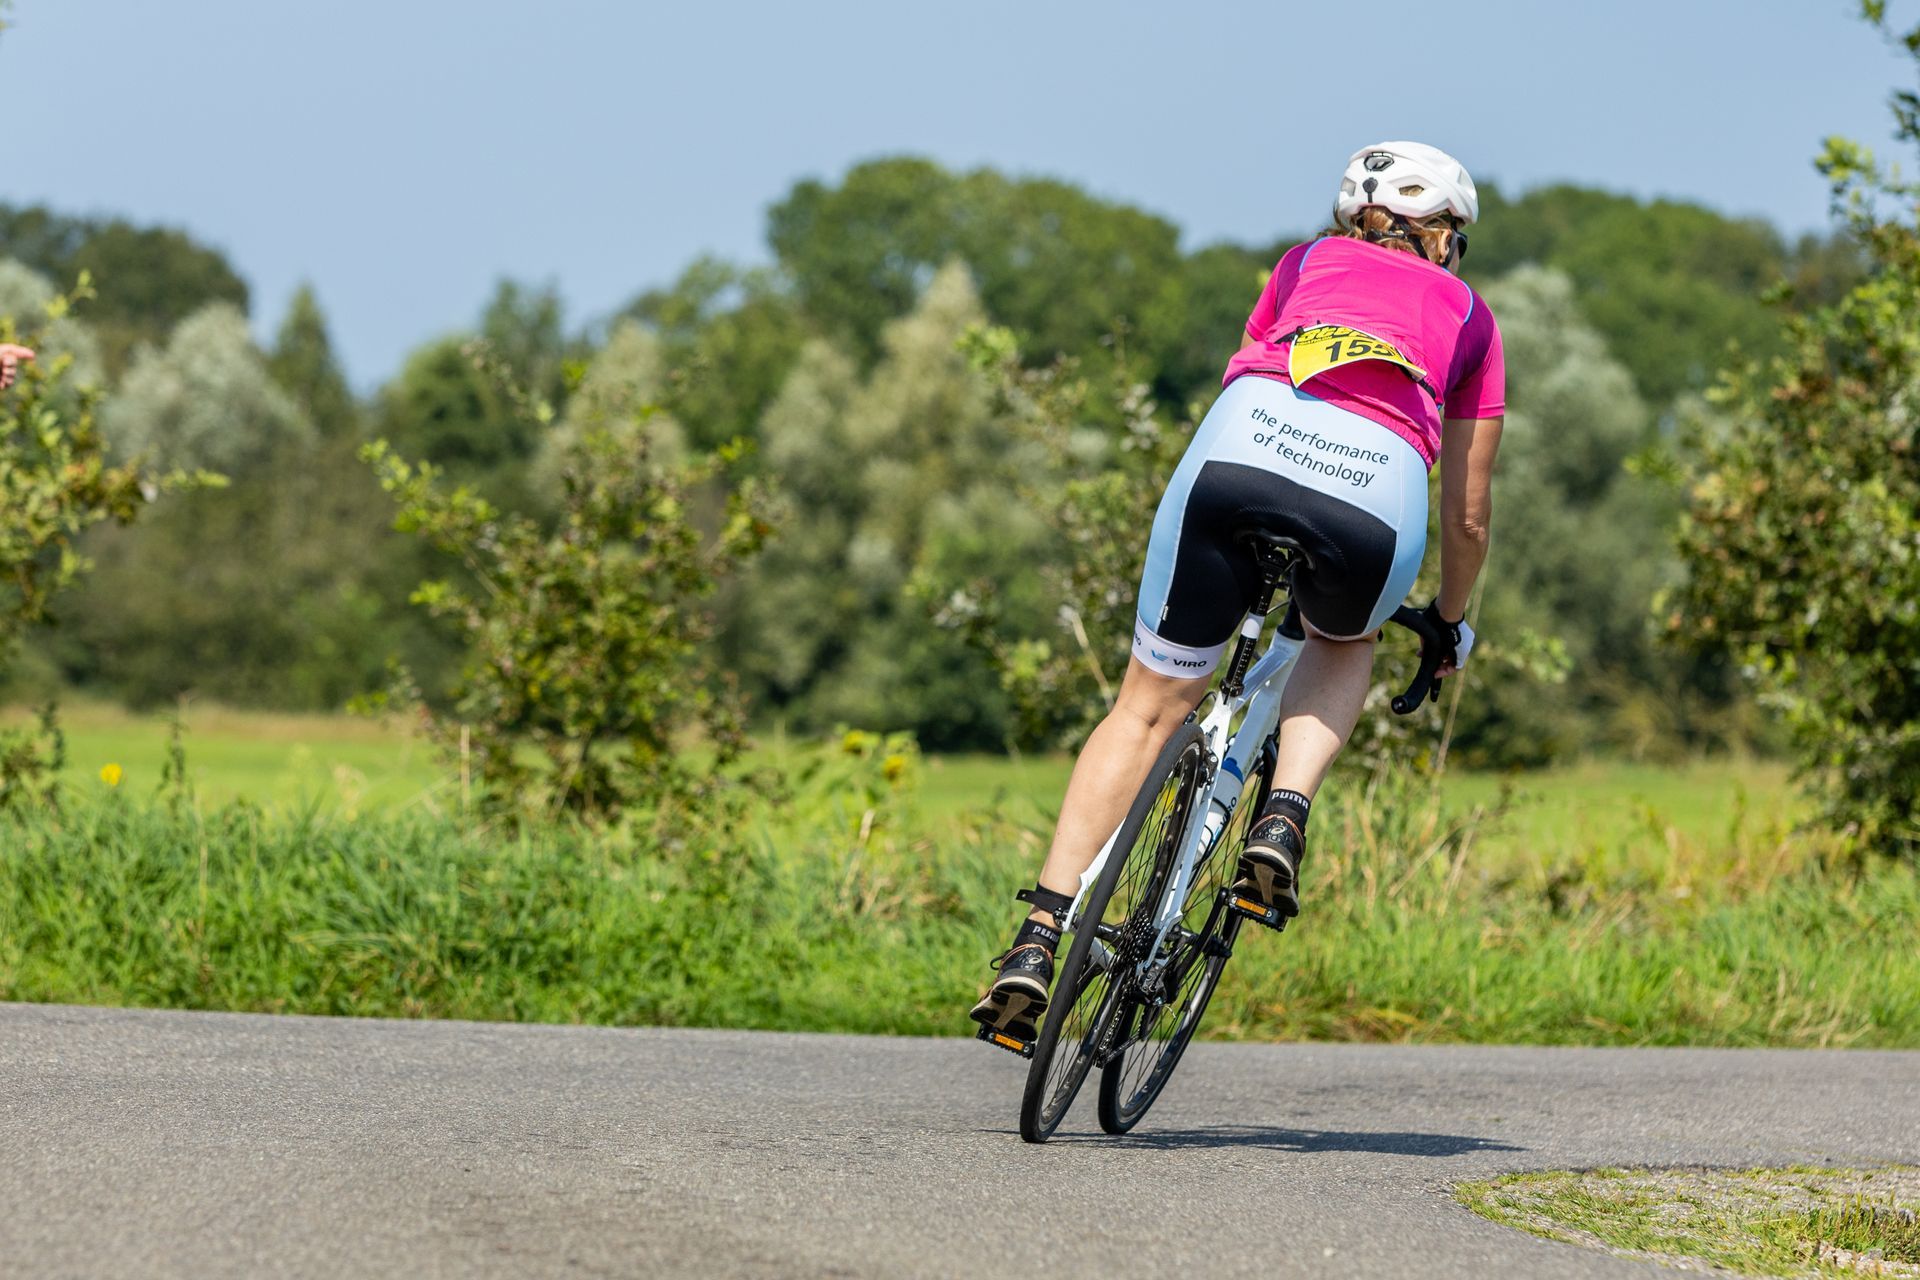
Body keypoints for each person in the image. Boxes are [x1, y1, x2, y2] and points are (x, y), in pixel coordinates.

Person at [971, 141, 1506, 1045]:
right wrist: (1450, 622)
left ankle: (1037, 937)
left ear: (1355, 221)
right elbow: (1468, 515)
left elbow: (1242, 371)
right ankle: (1282, 820)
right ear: (1445, 234)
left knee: (1146, 708)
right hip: (1372, 492)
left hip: (1237, 455)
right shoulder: (1472, 320)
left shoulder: (1300, 265)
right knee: (1343, 638)